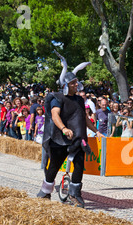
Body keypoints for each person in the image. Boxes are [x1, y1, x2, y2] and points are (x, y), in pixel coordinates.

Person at [37, 52, 103, 208]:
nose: (76, 84)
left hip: (77, 137)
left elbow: (84, 118)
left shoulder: (80, 99)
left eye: (76, 82)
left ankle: (75, 195)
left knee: (79, 164)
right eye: (73, 82)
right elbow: (55, 115)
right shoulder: (57, 98)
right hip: (60, 138)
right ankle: (45, 191)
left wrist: (96, 131)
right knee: (54, 166)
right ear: (66, 85)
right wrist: (64, 128)